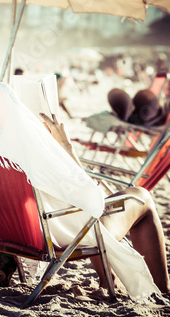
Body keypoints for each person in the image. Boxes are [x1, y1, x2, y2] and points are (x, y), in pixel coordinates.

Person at [40, 112, 170, 296]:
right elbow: (87, 194)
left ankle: (108, 278)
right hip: (68, 231)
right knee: (142, 197)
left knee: (88, 212)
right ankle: (162, 290)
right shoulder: (31, 144)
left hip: (33, 234)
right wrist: (66, 146)